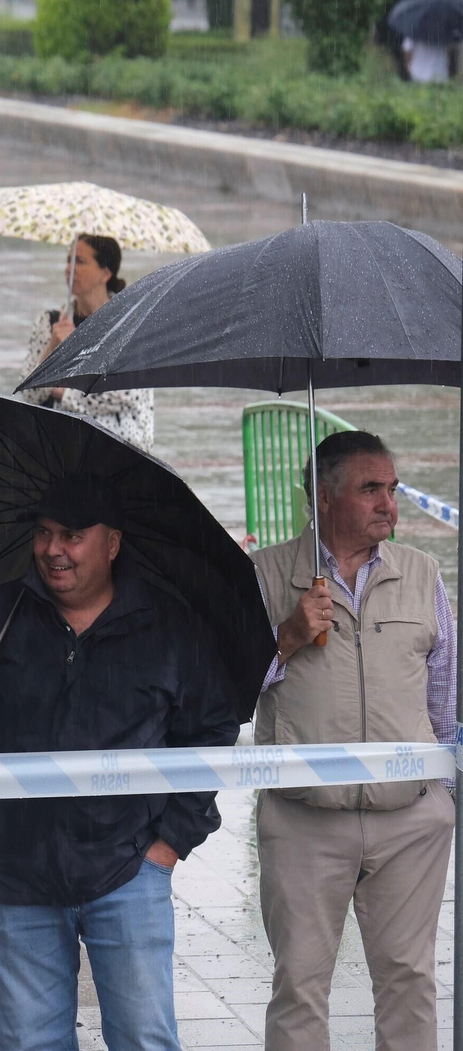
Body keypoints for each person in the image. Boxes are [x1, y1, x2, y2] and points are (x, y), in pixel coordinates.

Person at [0, 475, 239, 1051]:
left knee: (144, 1040)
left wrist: (170, 844)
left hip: (130, 870)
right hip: (16, 872)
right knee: (27, 1044)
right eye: (43, 534)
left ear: (112, 543)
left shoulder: (169, 628)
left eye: (71, 535)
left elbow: (212, 732)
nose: (52, 550)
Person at [252, 432, 455, 1051]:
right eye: (371, 489)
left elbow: (445, 693)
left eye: (392, 489)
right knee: (300, 986)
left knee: (410, 981)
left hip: (411, 821)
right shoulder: (264, 576)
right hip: (304, 820)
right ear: (322, 496)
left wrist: (443, 796)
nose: (388, 504)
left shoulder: (423, 573)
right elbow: (223, 692)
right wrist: (285, 637)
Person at [19, 234, 154, 451]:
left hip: (119, 449)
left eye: (80, 262)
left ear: (105, 273)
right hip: (64, 448)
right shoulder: (51, 322)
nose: (69, 269)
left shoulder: (127, 324)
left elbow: (127, 393)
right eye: (68, 260)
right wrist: (52, 347)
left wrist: (65, 393)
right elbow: (30, 393)